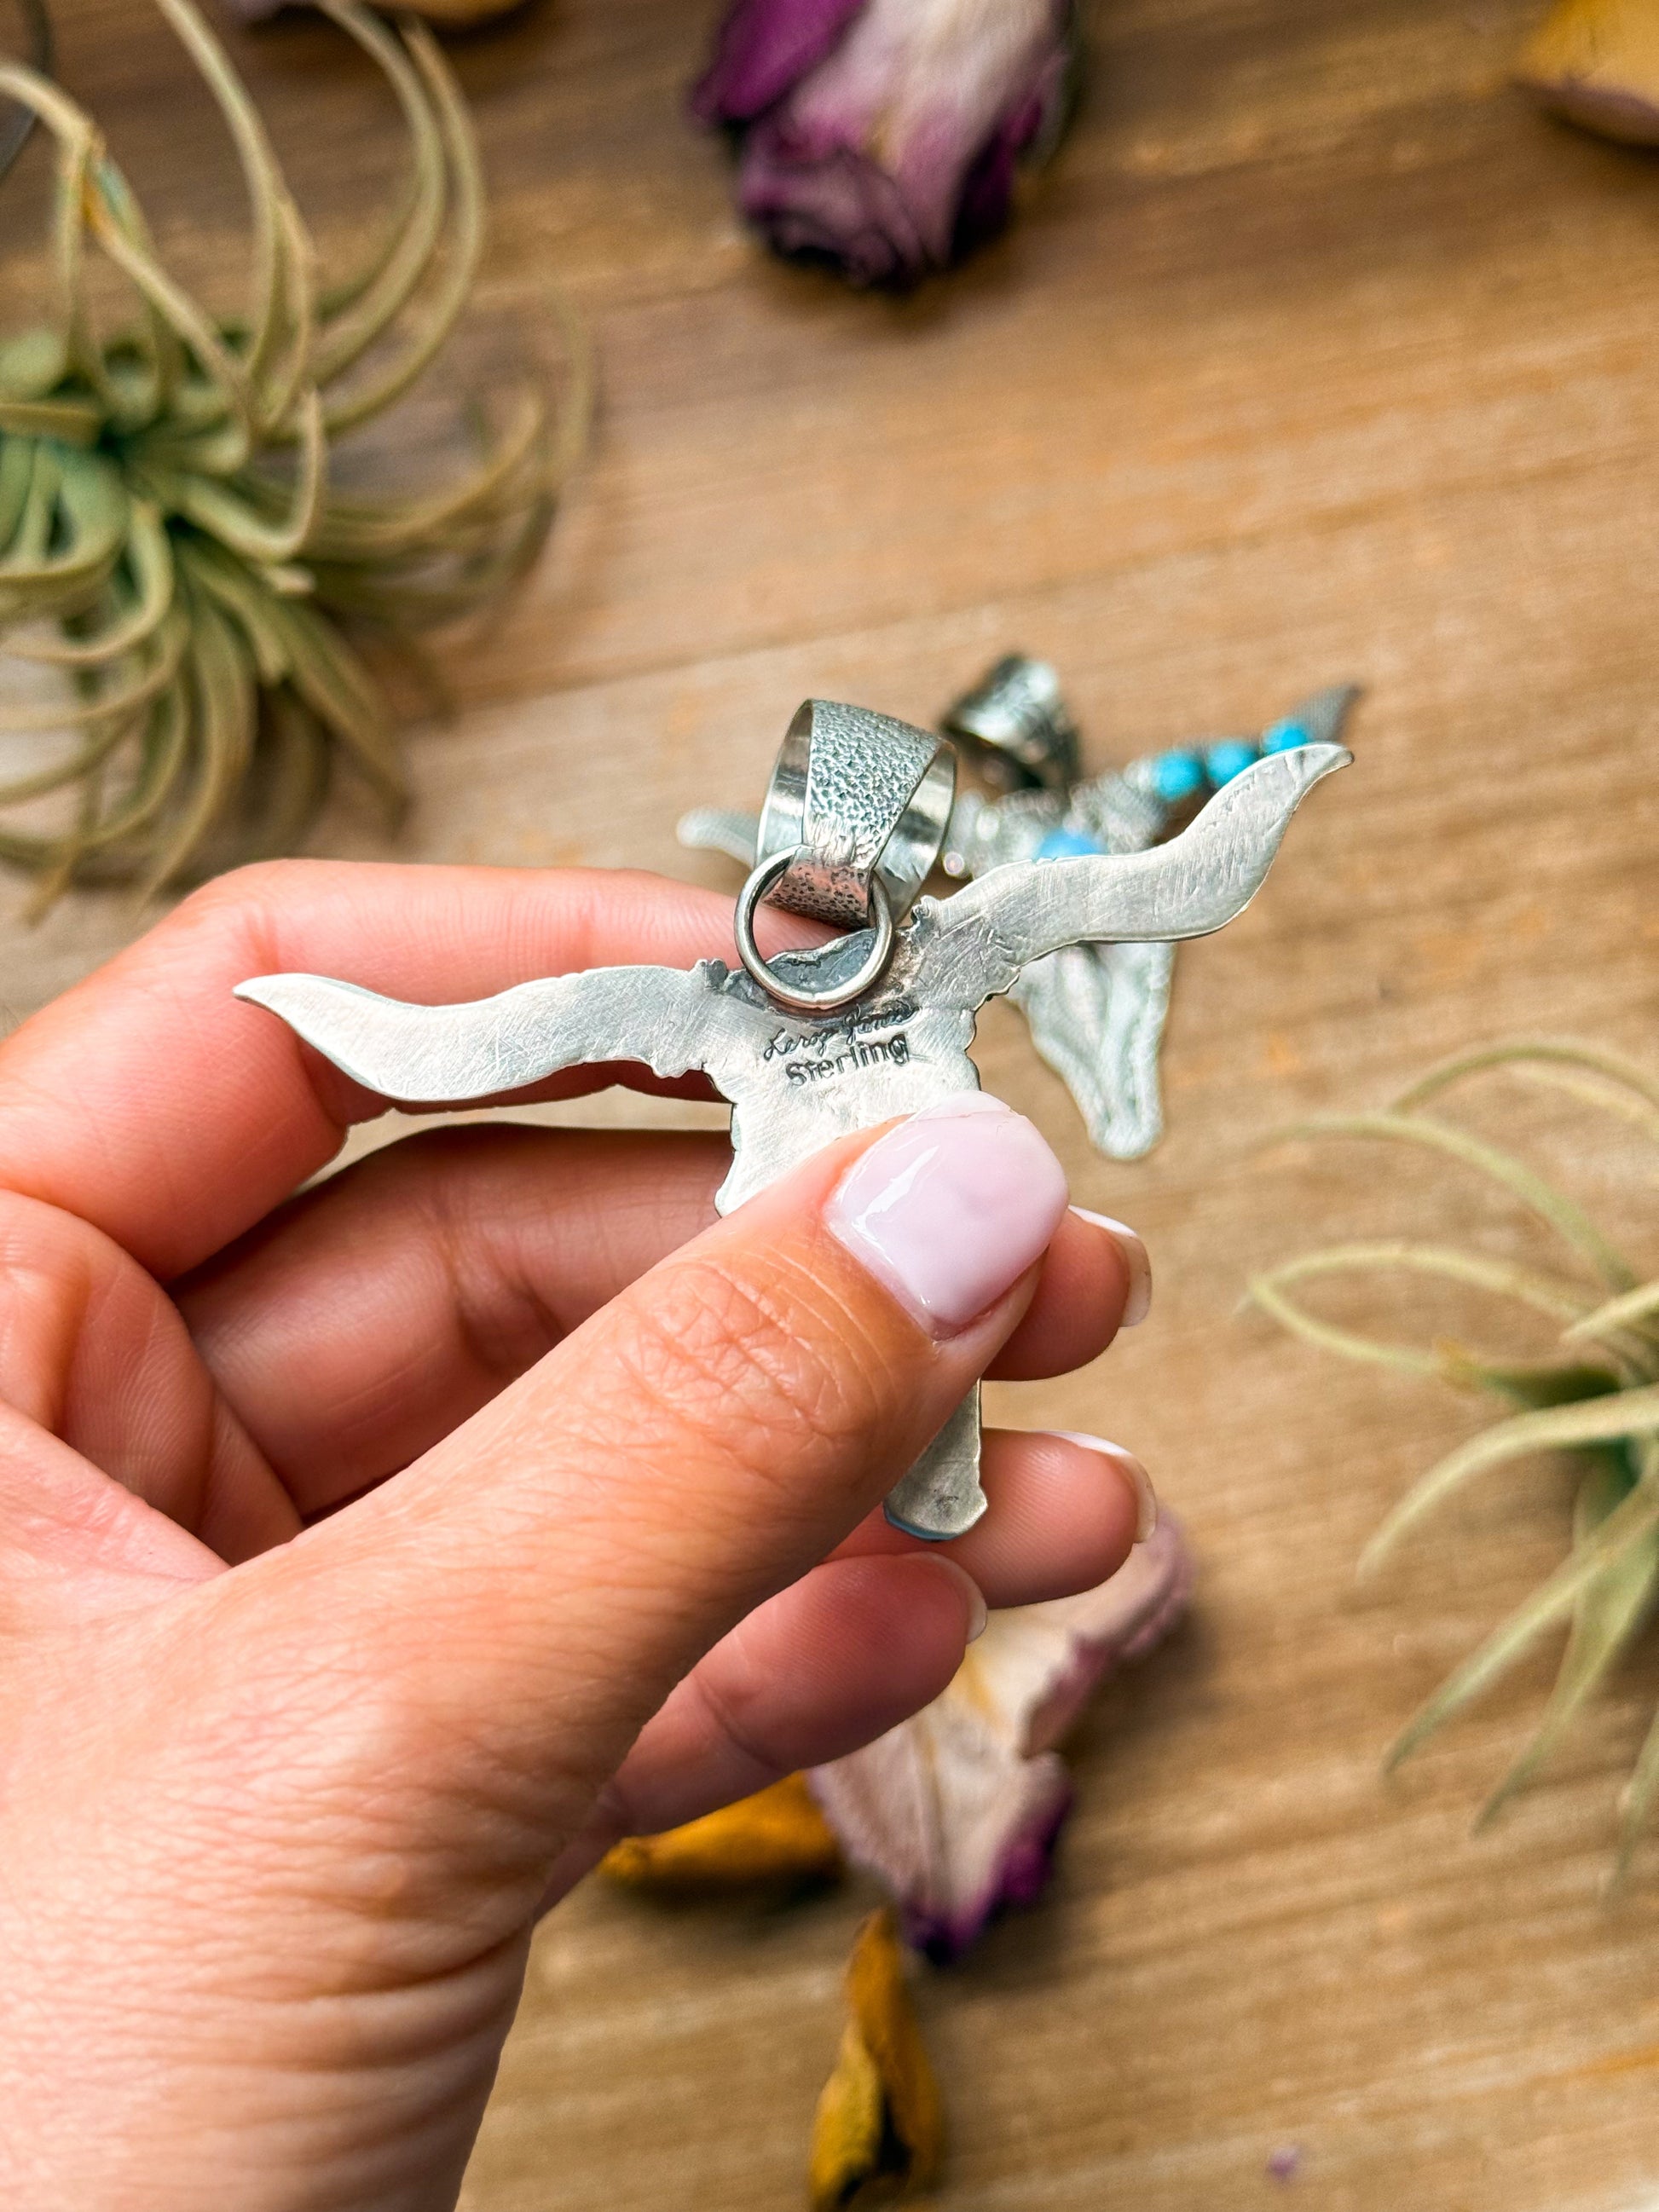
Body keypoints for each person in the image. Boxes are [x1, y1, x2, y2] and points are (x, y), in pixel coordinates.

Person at [0, 858, 1153, 2211]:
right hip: (879, 1282)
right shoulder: (750, 1007)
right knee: (921, 1503)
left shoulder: (917, 965)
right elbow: (476, 1041)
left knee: (931, 1500)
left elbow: (1138, 887)